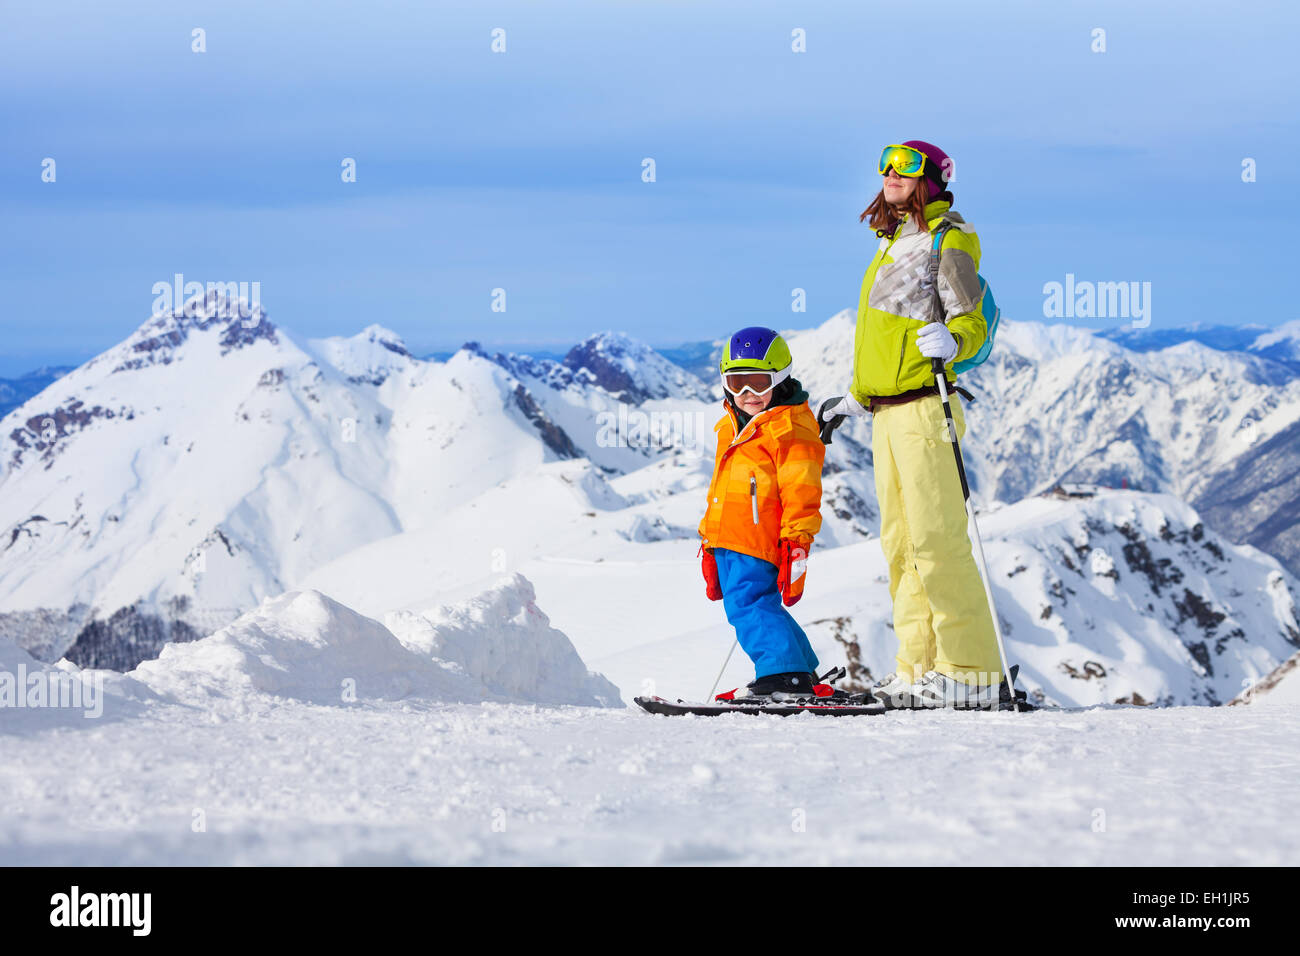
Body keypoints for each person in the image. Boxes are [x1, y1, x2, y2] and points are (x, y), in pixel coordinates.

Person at [820, 140, 1005, 709]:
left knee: (936, 540)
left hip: (928, 409)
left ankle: (970, 672)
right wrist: (855, 399)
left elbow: (976, 320)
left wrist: (958, 343)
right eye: (885, 165)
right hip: (887, 413)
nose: (889, 174)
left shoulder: (948, 244)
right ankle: (919, 667)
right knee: (901, 545)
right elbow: (888, 341)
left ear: (932, 178)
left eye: (904, 165)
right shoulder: (893, 242)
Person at [698, 327, 826, 700]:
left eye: (758, 383)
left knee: (748, 605)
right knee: (758, 602)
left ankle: (783, 674)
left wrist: (797, 541)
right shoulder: (729, 426)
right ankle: (801, 669)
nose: (747, 395)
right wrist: (709, 539)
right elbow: (719, 488)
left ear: (781, 379)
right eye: (736, 383)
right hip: (729, 537)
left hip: (759, 539)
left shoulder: (790, 430)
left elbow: (802, 491)